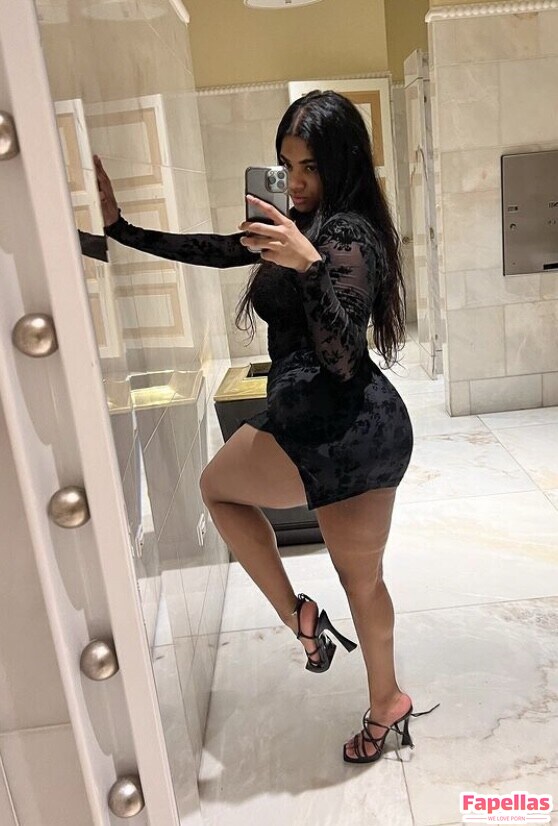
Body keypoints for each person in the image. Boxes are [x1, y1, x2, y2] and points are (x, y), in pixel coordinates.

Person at [92, 90, 438, 764]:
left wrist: (308, 266)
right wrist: (123, 229)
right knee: (349, 574)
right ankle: (363, 677)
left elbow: (344, 357)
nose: (297, 182)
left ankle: (329, 647)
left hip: (347, 433)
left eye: (311, 167)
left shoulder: (347, 235)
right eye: (287, 165)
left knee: (329, 561)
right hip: (326, 429)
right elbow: (220, 249)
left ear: (341, 163)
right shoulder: (297, 223)